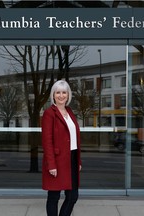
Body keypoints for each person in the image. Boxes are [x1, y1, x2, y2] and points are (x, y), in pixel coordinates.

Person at [41, 80, 82, 216]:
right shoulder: (49, 113)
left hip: (72, 158)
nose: (61, 95)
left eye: (64, 92)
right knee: (54, 197)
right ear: (53, 95)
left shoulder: (70, 112)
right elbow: (47, 141)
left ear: (68, 95)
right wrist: (51, 164)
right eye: (58, 92)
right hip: (57, 160)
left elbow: (73, 137)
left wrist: (78, 161)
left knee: (72, 196)